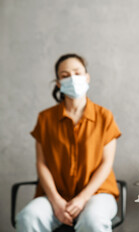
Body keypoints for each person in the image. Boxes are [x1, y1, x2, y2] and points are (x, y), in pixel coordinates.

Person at [16, 54, 121, 232]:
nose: (72, 79)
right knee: (28, 217)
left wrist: (82, 198)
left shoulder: (104, 117)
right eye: (65, 76)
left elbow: (106, 164)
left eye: (77, 73)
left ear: (87, 77)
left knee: (93, 221)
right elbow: (41, 164)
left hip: (97, 194)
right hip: (55, 195)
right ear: (58, 83)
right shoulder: (45, 119)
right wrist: (56, 200)